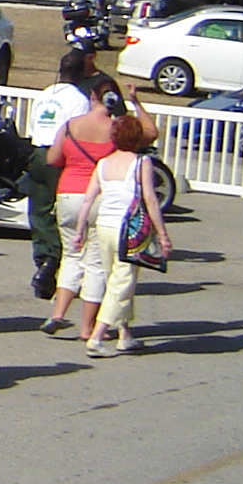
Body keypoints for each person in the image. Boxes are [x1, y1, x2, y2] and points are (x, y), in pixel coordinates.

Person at [42, 77, 151, 334]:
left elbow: (53, 158)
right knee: (95, 264)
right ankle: (87, 326)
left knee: (71, 255)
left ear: (92, 96)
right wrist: (135, 102)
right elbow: (150, 133)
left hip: (68, 194)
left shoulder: (70, 125)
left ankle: (58, 314)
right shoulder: (116, 130)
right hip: (98, 198)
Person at [70, 114, 172, 356]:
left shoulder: (103, 163)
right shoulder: (141, 163)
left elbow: (88, 199)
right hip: (128, 230)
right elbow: (150, 199)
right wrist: (162, 234)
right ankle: (97, 336)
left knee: (115, 281)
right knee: (122, 283)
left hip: (103, 227)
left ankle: (124, 333)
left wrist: (80, 230)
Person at [19, 50, 99, 298]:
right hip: (61, 154)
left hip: (38, 151)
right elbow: (77, 133)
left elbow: (32, 128)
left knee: (39, 211)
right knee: (61, 212)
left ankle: (43, 259)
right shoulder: (79, 100)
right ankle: (55, 261)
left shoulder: (44, 95)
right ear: (81, 72)